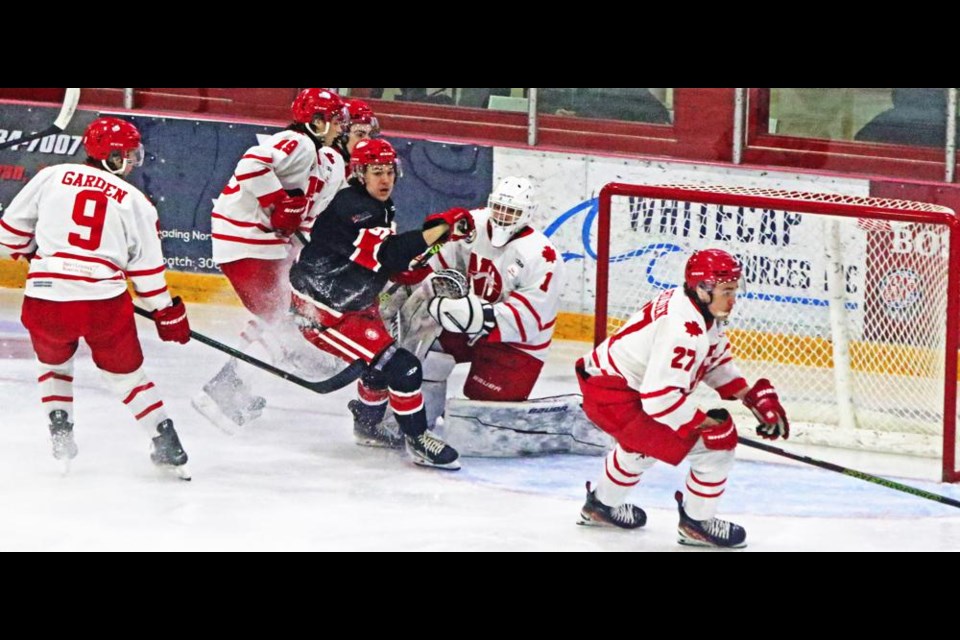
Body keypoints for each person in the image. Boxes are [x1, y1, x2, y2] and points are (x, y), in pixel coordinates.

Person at [0, 117, 192, 477]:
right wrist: (167, 313)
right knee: (128, 378)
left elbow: (9, 234)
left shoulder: (51, 176)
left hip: (45, 298)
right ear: (111, 155)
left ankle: (60, 430)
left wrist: (31, 252)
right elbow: (147, 274)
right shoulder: (137, 202)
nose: (133, 161)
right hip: (102, 302)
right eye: (128, 154)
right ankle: (166, 441)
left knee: (53, 364)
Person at [574, 249, 790, 548]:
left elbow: (714, 361)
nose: (733, 298)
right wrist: (706, 423)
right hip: (615, 395)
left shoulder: (694, 307)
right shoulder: (682, 330)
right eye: (727, 290)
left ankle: (600, 507)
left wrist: (750, 396)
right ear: (703, 288)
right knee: (716, 446)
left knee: (641, 446)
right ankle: (697, 524)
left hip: (608, 385)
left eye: (734, 289)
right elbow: (659, 399)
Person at [289, 138, 475, 470]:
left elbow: (380, 259)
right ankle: (418, 441)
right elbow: (388, 252)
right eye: (376, 172)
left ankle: (368, 425)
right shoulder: (355, 208)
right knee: (403, 368)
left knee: (379, 367)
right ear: (360, 173)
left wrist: (401, 268)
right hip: (323, 311)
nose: (385, 179)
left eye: (389, 171)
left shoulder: (376, 205)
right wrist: (441, 230)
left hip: (351, 301)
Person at [382, 176, 578, 456]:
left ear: (527, 214)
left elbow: (528, 321)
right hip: (464, 325)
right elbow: (437, 261)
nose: (502, 216)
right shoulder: (472, 225)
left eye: (512, 212)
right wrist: (412, 279)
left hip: (514, 343)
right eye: (499, 207)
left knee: (481, 424)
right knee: (426, 353)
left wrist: (466, 313)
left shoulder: (542, 256)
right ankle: (415, 425)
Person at [194, 88, 349, 432]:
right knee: (280, 316)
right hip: (246, 241)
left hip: (264, 245)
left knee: (279, 313)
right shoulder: (300, 142)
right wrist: (279, 200)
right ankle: (222, 390)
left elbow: (301, 217)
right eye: (336, 120)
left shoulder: (325, 159)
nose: (342, 127)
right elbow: (250, 165)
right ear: (317, 121)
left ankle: (233, 386)